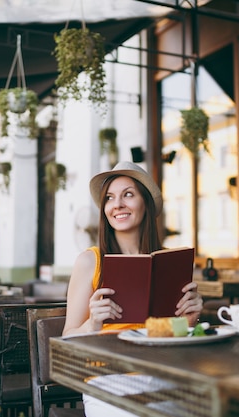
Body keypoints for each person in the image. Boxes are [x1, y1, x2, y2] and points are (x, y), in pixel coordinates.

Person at [62, 161, 203, 417]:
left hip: (163, 373)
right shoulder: (90, 261)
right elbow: (67, 339)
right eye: (110, 198)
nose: (117, 204)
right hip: (108, 378)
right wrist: (92, 323)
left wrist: (189, 321)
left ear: (145, 203)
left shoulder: (170, 262)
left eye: (128, 194)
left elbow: (169, 335)